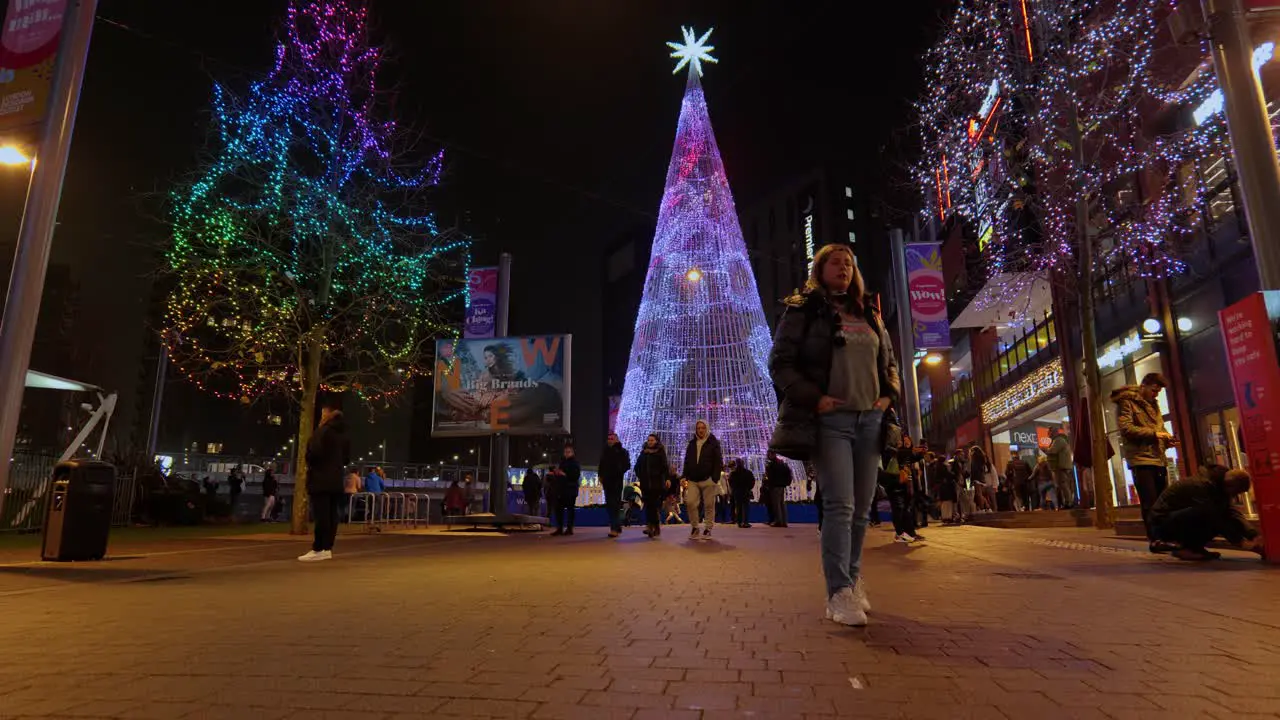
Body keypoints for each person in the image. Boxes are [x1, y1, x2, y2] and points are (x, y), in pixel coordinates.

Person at [769, 242, 899, 627]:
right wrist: (816, 398)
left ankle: (853, 578)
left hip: (870, 421)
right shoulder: (804, 310)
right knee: (839, 506)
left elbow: (889, 363)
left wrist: (886, 398)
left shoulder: (869, 312)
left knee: (862, 509)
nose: (843, 268)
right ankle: (837, 593)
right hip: (832, 423)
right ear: (820, 270)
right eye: (835, 263)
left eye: (849, 263)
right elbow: (780, 363)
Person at [1112, 373, 1178, 553]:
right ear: (1144, 385)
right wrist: (1154, 434)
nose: (1156, 395)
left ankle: (1165, 537)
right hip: (1141, 458)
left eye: (1158, 392)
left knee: (1162, 502)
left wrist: (1166, 439)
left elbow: (1159, 428)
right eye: (1154, 390)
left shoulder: (1153, 405)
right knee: (1150, 502)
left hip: (1158, 457)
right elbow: (1126, 428)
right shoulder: (1127, 402)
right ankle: (1155, 540)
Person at [1149, 465, 1264, 561]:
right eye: (1237, 492)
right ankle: (1185, 549)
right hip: (1161, 523)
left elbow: (1232, 512)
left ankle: (1195, 548)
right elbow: (1212, 516)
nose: (1235, 495)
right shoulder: (1200, 486)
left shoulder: (1219, 486)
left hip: (1177, 519)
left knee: (1217, 513)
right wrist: (1241, 542)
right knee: (1207, 514)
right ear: (1230, 485)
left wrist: (1252, 534)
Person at [299, 398, 350, 563]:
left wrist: (312, 462)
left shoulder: (322, 432)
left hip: (320, 478)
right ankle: (327, 547)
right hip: (336, 479)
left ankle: (318, 547)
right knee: (331, 514)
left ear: (327, 414)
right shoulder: (344, 434)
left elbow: (313, 454)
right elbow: (347, 459)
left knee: (321, 515)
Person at [681, 419, 723, 539]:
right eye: (698, 428)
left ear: (707, 429)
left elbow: (718, 461)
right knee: (690, 502)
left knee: (709, 505)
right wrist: (684, 475)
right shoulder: (692, 443)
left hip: (708, 480)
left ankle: (708, 529)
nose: (700, 430)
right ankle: (695, 527)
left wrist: (714, 478)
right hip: (693, 479)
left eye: (703, 428)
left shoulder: (713, 443)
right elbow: (687, 461)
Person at [634, 434, 670, 538]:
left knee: (654, 506)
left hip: (657, 484)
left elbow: (664, 467)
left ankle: (653, 526)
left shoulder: (660, 453)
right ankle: (651, 526)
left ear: (656, 441)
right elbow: (637, 466)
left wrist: (666, 478)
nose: (650, 442)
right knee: (648, 505)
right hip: (645, 484)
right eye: (649, 440)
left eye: (652, 440)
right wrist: (641, 476)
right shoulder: (643, 453)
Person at [598, 432, 631, 539]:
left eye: (612, 438)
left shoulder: (622, 452)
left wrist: (618, 471)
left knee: (614, 505)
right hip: (607, 482)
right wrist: (600, 476)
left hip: (616, 482)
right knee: (610, 505)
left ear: (616, 440)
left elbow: (627, 465)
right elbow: (601, 465)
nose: (610, 440)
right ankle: (617, 526)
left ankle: (614, 528)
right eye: (609, 438)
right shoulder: (605, 452)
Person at [549, 446, 581, 536]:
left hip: (570, 490)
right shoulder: (562, 462)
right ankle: (559, 528)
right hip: (561, 490)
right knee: (558, 509)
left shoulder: (575, 463)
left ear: (572, 453)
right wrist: (556, 473)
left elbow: (575, 476)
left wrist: (564, 474)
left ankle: (569, 528)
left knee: (570, 509)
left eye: (569, 452)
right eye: (566, 452)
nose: (567, 453)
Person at [1043, 427, 1075, 509]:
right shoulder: (1057, 440)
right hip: (1060, 466)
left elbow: (1053, 451)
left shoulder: (1058, 440)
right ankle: (1067, 502)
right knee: (1062, 485)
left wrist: (1045, 450)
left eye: (1049, 432)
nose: (1048, 434)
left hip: (1061, 466)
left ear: (1053, 432)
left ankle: (1069, 503)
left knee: (1063, 484)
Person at [763, 451, 793, 528]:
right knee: (782, 504)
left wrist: (768, 484)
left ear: (772, 454)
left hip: (775, 486)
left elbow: (770, 476)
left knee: (776, 504)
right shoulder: (782, 463)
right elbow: (789, 473)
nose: (767, 456)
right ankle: (784, 521)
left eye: (768, 455)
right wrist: (787, 482)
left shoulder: (772, 464)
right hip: (782, 486)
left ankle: (778, 521)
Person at [728, 458, 757, 529]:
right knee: (746, 507)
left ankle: (739, 522)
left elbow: (730, 482)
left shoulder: (733, 473)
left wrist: (734, 489)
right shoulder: (748, 472)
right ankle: (745, 522)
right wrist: (749, 488)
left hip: (737, 492)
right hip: (745, 491)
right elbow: (752, 481)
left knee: (738, 507)